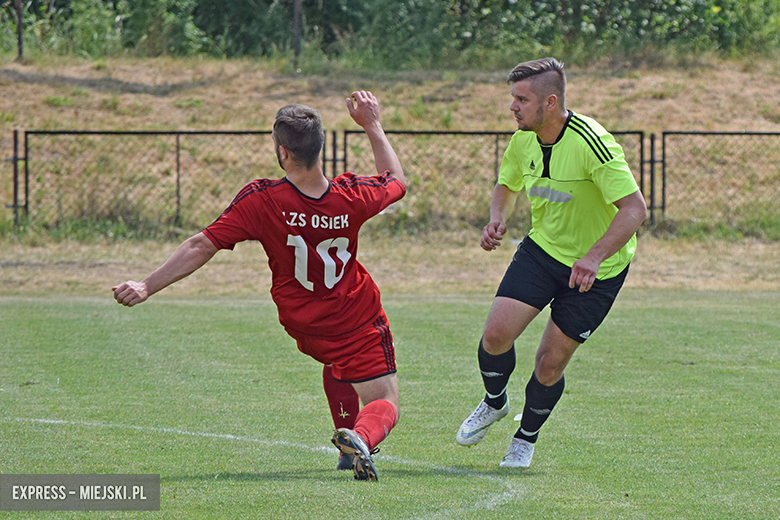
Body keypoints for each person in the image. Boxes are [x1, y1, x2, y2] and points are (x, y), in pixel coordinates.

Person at [113, 91, 406, 482]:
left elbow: (203, 244)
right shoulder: (351, 196)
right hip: (354, 317)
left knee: (338, 363)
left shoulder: (264, 200)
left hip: (303, 322)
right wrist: (371, 123)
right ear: (320, 149)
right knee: (385, 400)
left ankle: (344, 450)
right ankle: (363, 437)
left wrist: (147, 285)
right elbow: (396, 180)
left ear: (283, 152)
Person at [456, 58, 647, 468]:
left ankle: (526, 438)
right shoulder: (522, 139)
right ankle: (494, 402)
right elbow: (507, 184)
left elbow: (635, 209)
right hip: (543, 252)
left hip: (599, 270)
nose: (513, 107)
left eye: (522, 100)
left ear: (550, 102)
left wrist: (594, 257)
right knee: (495, 336)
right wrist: (496, 219)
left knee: (550, 362)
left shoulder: (592, 141)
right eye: (513, 98)